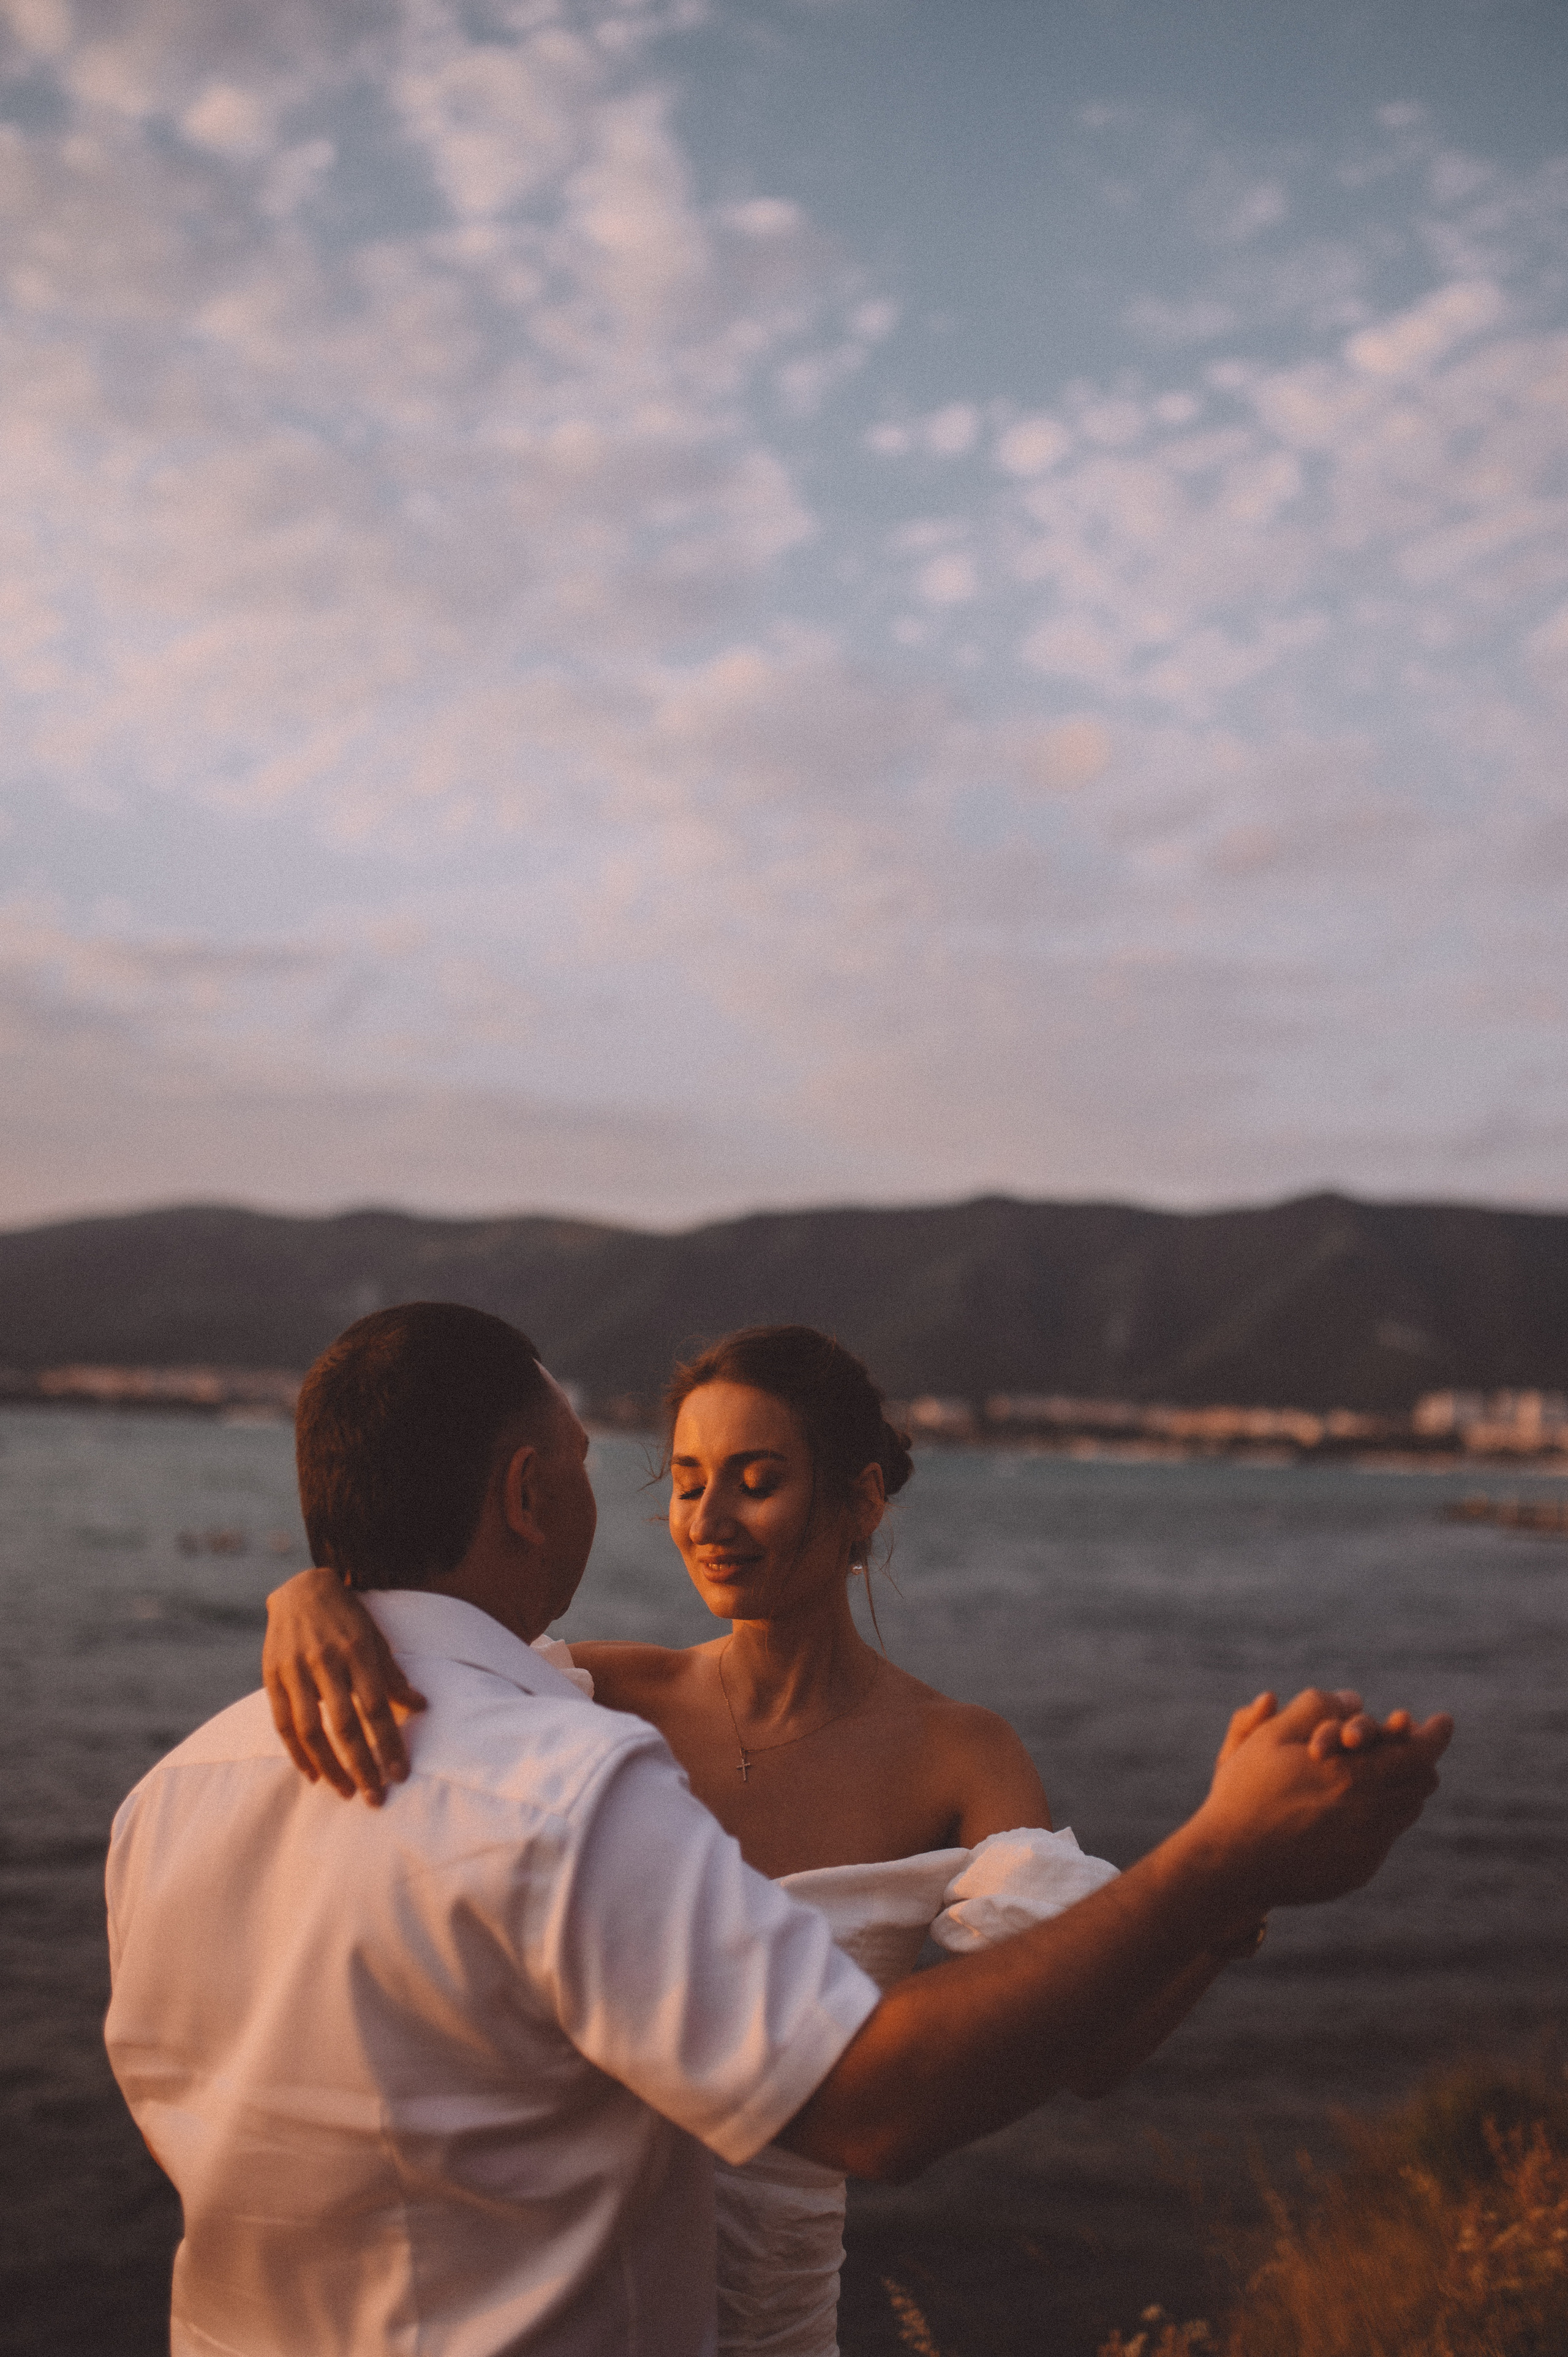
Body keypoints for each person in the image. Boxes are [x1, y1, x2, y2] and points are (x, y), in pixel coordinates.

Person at [257, 1317, 1449, 2357]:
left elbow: (1087, 2050)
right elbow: (430, 1654)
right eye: (686, 1481)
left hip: (769, 2319)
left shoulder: (956, 1753)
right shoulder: (590, 1693)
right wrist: (317, 1595)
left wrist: (1241, 1883)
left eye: (755, 1479)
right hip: (563, 2311)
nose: (709, 1519)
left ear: (861, 1500)